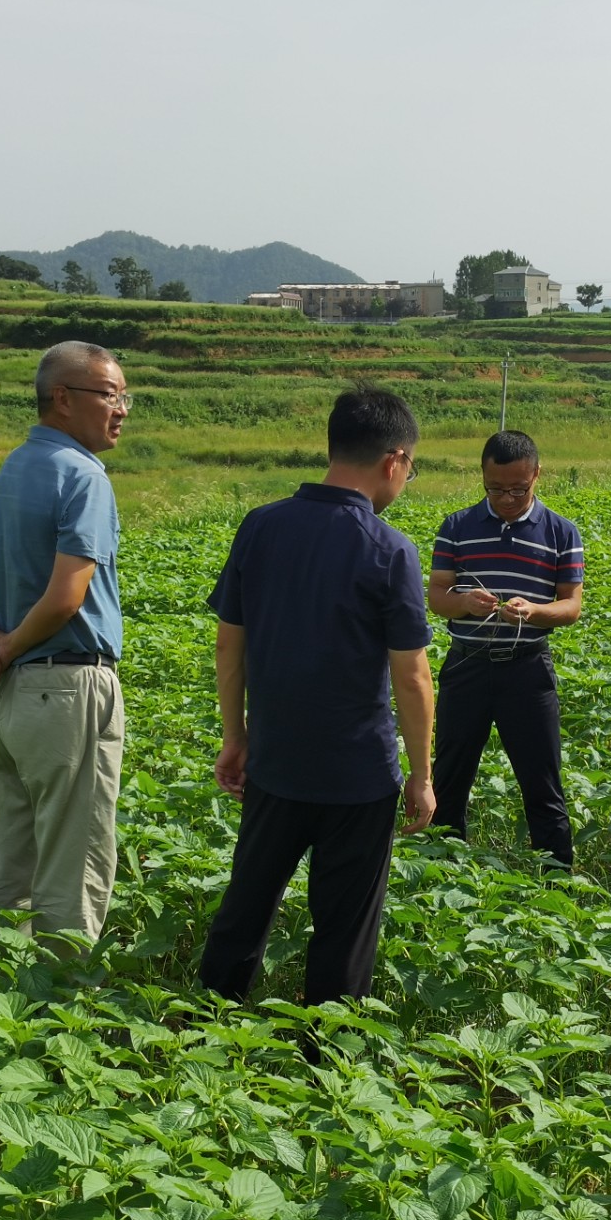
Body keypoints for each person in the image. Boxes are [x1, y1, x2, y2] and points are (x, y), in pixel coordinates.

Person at [199, 383, 436, 1006]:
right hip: (358, 775)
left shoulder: (262, 526)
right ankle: (325, 1050)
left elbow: (229, 646)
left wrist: (236, 737)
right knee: (344, 931)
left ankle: (204, 1024)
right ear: (394, 460)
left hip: (274, 763)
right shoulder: (389, 549)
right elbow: (412, 677)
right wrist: (421, 775)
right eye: (410, 468)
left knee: (246, 905)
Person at [0, 340, 128, 941]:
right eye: (109, 394)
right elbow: (66, 597)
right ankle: (66, 986)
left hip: (10, 698)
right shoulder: (83, 476)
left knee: (13, 853)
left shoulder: (14, 468)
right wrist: (5, 646)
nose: (121, 409)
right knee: (73, 860)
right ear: (63, 398)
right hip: (66, 686)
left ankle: (1, 977)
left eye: (124, 396)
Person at [426, 431, 584, 867]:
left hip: (527, 670)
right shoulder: (457, 527)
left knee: (542, 780)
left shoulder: (561, 532)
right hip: (467, 664)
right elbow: (437, 595)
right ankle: (442, 870)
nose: (507, 499)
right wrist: (464, 603)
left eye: (518, 489)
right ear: (482, 476)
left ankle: (556, 876)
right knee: (450, 775)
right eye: (495, 489)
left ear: (537, 475)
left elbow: (571, 606)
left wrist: (533, 611)